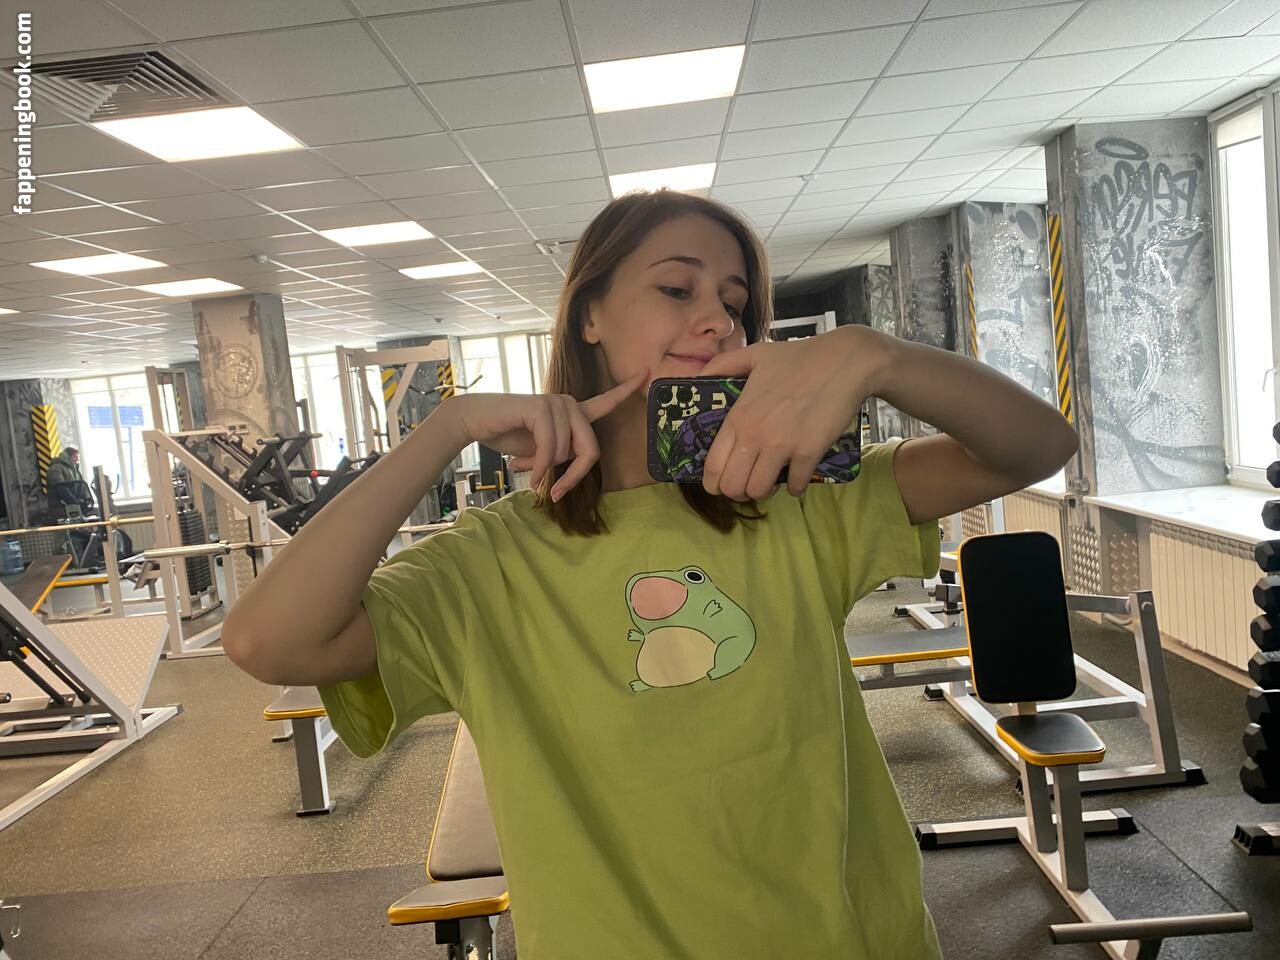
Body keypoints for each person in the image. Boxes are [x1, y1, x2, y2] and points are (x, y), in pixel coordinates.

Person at [223, 190, 1078, 959]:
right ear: (588, 314)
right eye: (677, 288)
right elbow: (267, 641)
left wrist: (877, 356)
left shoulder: (793, 501)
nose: (716, 321)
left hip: (854, 936)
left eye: (735, 304)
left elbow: (1036, 446)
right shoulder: (489, 561)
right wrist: (445, 429)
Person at [46, 445, 91, 518]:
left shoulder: (76, 471)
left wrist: (87, 499)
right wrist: (75, 503)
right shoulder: (55, 468)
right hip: (60, 509)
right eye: (75, 457)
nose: (77, 460)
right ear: (68, 457)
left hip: (74, 508)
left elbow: (82, 486)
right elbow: (61, 488)